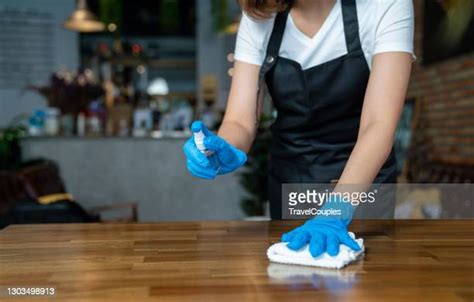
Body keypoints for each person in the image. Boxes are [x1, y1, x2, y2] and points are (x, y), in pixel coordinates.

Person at [183, 0, 414, 258]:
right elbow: (239, 121)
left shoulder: (385, 5)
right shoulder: (261, 16)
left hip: (364, 182)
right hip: (293, 179)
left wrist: (336, 210)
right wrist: (223, 146)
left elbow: (378, 124)